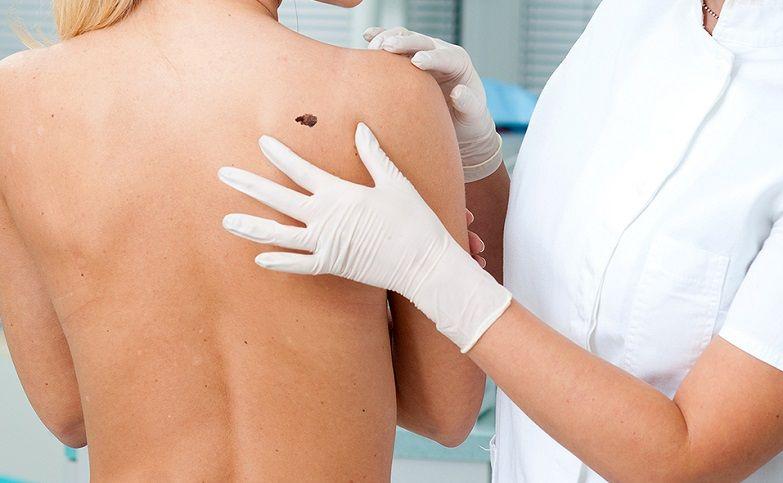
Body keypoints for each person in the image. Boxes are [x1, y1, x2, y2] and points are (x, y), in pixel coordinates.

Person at [220, 0, 783, 481]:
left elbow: (684, 459)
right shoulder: (632, 17)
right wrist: (478, 161)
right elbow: (551, 284)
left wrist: (430, 270)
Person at [0, 0, 498, 479]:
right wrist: (344, 321)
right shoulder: (389, 92)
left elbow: (68, 412)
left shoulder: (17, 99)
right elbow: (445, 413)